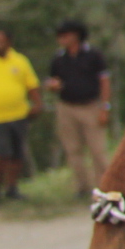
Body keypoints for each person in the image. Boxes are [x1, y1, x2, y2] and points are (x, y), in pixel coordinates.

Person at [47, 19, 112, 199]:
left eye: (65, 35)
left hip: (90, 106)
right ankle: (82, 186)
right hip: (67, 107)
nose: (61, 39)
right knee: (73, 149)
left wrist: (104, 107)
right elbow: (53, 80)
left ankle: (105, 185)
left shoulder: (93, 55)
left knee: (97, 149)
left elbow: (104, 81)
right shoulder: (58, 58)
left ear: (76, 36)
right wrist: (52, 86)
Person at [0, 28, 43, 201]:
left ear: (9, 42)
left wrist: (37, 104)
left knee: (17, 153)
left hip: (18, 115)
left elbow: (32, 84)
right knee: (0, 154)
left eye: (0, 41)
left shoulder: (20, 61)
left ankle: (12, 188)